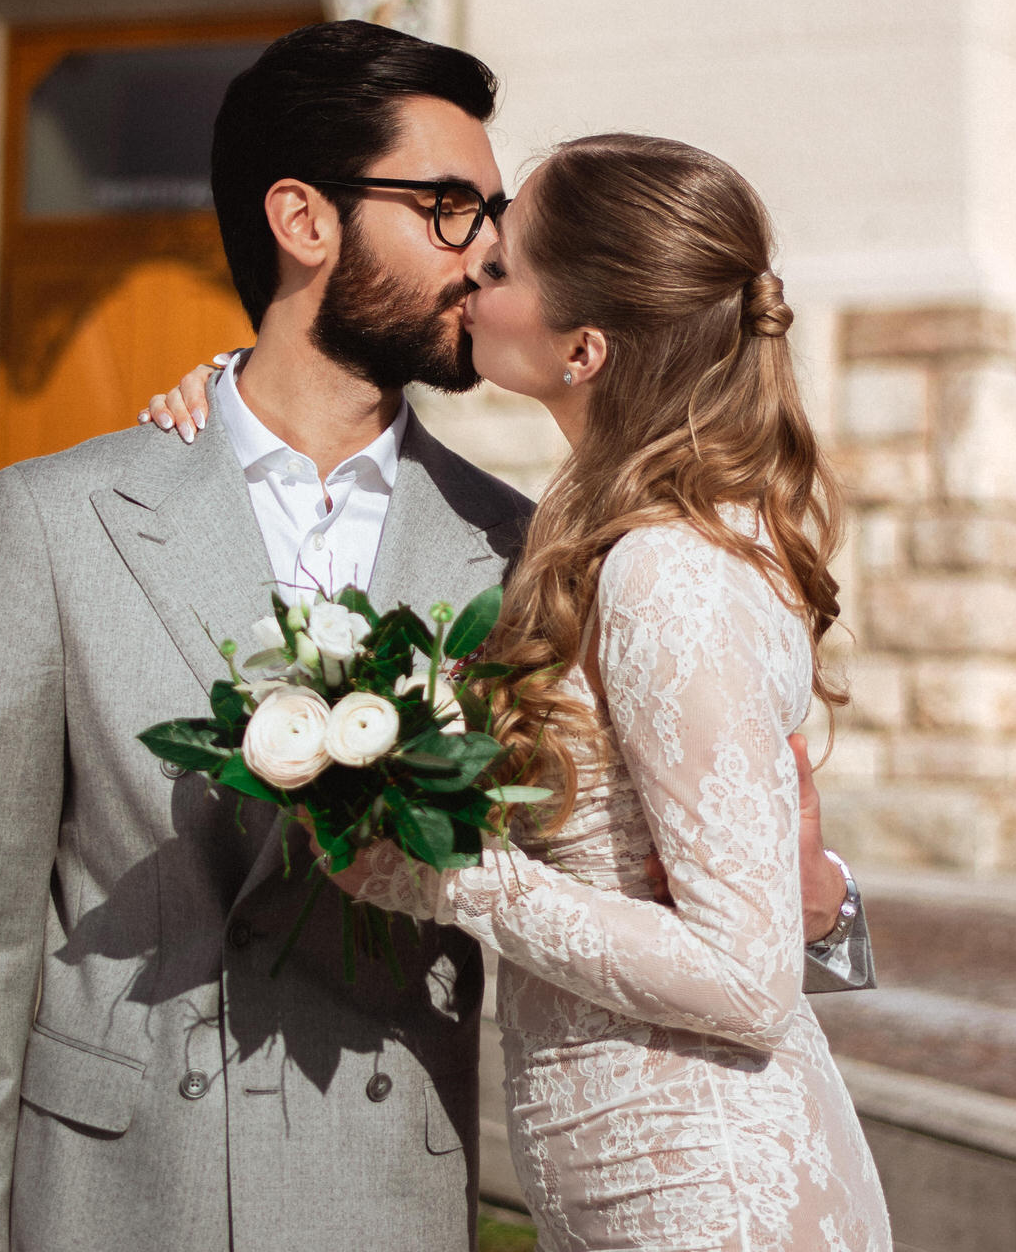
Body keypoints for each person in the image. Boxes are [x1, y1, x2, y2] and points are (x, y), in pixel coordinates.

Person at [0, 22, 867, 1252]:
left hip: (387, 1192)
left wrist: (822, 906)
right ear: (305, 221)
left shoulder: (538, 561)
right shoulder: (59, 519)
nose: (484, 255)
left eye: (494, 217)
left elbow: (668, 892)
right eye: (448, 207)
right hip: (119, 1193)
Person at [317, 134, 892, 1249]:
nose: (472, 271)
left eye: (502, 264)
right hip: (638, 1168)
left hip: (707, 1188)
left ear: (583, 347)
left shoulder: (663, 566)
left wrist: (456, 880)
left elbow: (748, 974)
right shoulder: (609, 529)